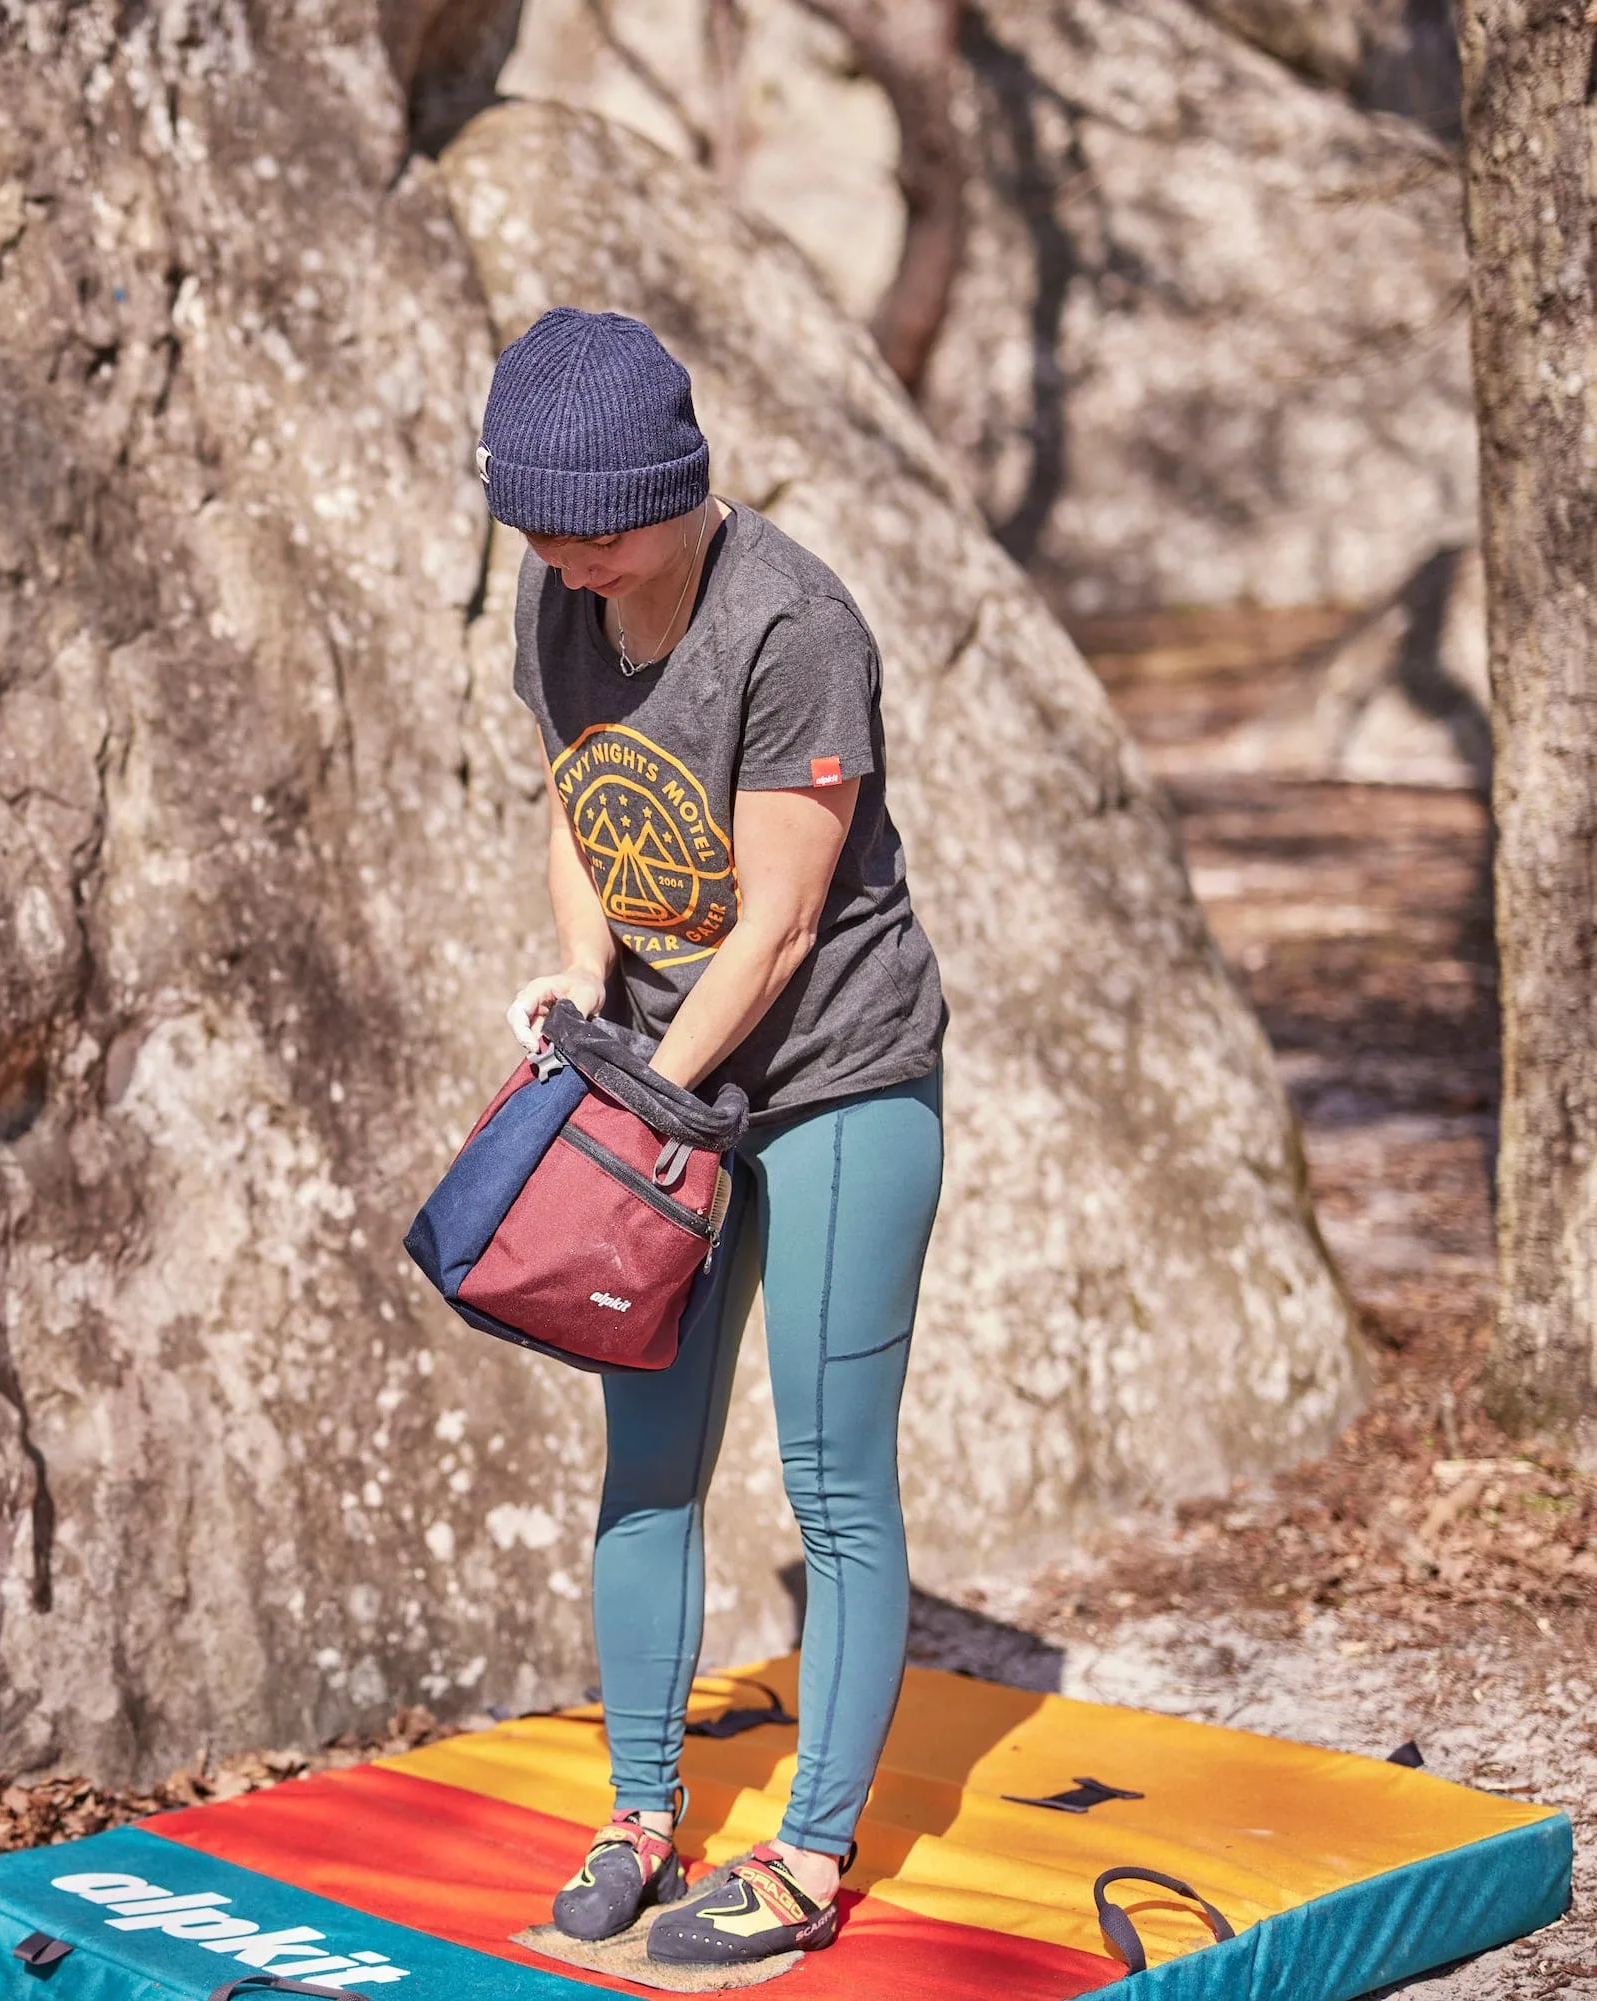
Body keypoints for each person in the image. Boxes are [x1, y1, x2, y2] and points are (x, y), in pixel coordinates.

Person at [479, 309, 948, 1969]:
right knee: (650, 1470)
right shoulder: (563, 594)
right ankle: (637, 1812)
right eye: (534, 524)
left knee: (831, 1483)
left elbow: (776, 926)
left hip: (831, 1080)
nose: (561, 557)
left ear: (678, 489)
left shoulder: (793, 623)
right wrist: (575, 973)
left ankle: (812, 1853)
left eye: (592, 524)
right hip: (670, 1075)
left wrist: (631, 1098)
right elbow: (580, 803)